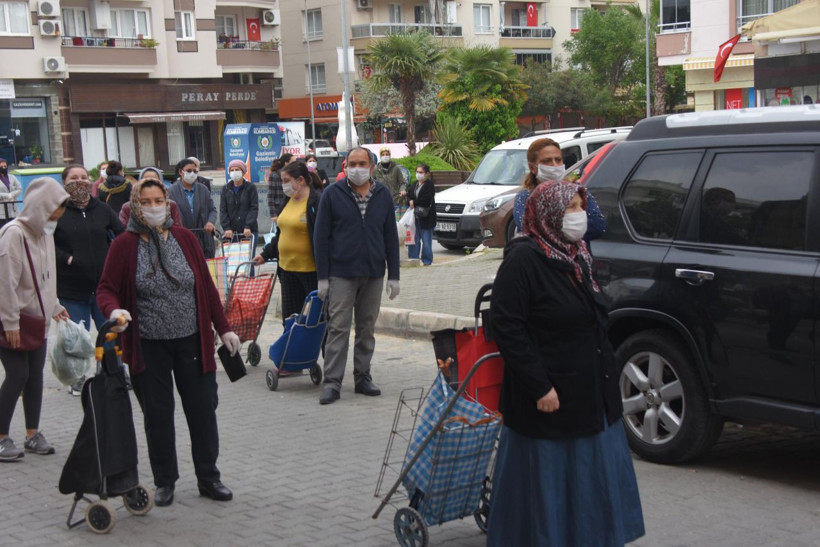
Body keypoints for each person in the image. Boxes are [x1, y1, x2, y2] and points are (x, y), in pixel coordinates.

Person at [487, 181, 644, 546]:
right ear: (548, 215)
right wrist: (539, 386)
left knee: (590, 495)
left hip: (590, 398)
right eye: (570, 208)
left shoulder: (575, 255)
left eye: (579, 206)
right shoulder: (524, 259)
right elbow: (507, 327)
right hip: (549, 403)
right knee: (547, 501)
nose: (578, 215)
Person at [96, 176, 241, 506]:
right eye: (144, 202)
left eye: (157, 200)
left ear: (167, 202)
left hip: (192, 341)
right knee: (158, 416)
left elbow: (205, 286)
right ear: (134, 207)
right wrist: (114, 310)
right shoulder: (125, 245)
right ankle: (165, 481)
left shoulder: (185, 238)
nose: (153, 207)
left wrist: (224, 327)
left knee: (203, 410)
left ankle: (209, 477)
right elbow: (105, 288)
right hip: (148, 345)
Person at [313, 146, 400, 405]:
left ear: (372, 167)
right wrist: (323, 277)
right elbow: (320, 238)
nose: (358, 168)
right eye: (353, 163)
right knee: (338, 327)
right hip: (341, 273)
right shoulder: (332, 194)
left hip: (373, 273)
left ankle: (363, 377)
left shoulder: (383, 195)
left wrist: (394, 275)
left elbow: (390, 238)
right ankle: (332, 382)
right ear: (345, 165)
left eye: (363, 163)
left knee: (367, 328)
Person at [0, 177, 71, 461]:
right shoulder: (13, 234)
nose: (55, 219)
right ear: (41, 207)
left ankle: (33, 433)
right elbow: (5, 282)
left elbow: (46, 278)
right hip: (14, 321)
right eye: (53, 213)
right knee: (18, 375)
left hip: (37, 320)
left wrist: (53, 305)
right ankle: (2, 436)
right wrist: (10, 322)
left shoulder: (45, 234)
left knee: (35, 378)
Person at [54, 164, 125, 396]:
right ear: (64, 182)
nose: (80, 182)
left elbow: (122, 235)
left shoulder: (102, 209)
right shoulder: (57, 211)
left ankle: (114, 372)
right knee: (76, 336)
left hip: (103, 285)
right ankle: (77, 377)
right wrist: (67, 258)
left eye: (84, 177)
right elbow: (45, 245)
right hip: (71, 287)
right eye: (74, 178)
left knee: (111, 331)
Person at [253, 161, 320, 327]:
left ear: (301, 180)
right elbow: (281, 234)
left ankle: (323, 351)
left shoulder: (316, 202)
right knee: (290, 320)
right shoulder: (287, 200)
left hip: (311, 271)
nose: (283, 185)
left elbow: (324, 236)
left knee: (318, 318)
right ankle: (292, 352)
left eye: (286, 180)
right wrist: (265, 254)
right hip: (287, 270)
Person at [513, 138, 606, 244]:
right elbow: (530, 229)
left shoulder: (575, 190)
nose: (554, 165)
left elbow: (598, 226)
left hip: (577, 258)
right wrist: (573, 227)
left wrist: (550, 226)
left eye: (558, 160)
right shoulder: (525, 197)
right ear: (532, 167)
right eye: (547, 161)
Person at [169, 158, 218, 258]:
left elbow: (212, 209)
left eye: (194, 171)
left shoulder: (203, 189)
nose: (192, 173)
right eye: (189, 171)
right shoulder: (171, 191)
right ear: (180, 172)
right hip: (183, 240)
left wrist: (210, 222)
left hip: (204, 240)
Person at [220, 159, 258, 242]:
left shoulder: (250, 188)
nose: (234, 172)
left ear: (243, 172)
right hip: (231, 233)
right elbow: (223, 210)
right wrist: (227, 228)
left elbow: (253, 208)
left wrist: (248, 226)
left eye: (237, 170)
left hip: (248, 231)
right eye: (232, 170)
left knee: (249, 255)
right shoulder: (226, 189)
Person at [407, 163, 436, 266]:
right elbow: (409, 195)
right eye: (417, 172)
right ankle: (413, 259)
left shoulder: (429, 185)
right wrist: (410, 200)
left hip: (427, 217)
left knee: (426, 240)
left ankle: (427, 260)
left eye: (421, 172)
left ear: (427, 174)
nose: (418, 174)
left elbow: (426, 199)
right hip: (415, 217)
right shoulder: (415, 184)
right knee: (414, 239)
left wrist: (414, 202)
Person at [267, 153, 293, 225]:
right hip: (279, 209)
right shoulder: (275, 175)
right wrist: (273, 214)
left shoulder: (295, 175)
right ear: (286, 163)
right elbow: (270, 195)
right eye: (293, 162)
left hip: (292, 208)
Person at [0, 158, 23, 229]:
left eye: (5, 166)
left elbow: (19, 189)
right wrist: (7, 196)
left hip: (13, 210)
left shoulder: (12, 177)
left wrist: (12, 195)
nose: (4, 168)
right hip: (1, 211)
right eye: (2, 166)